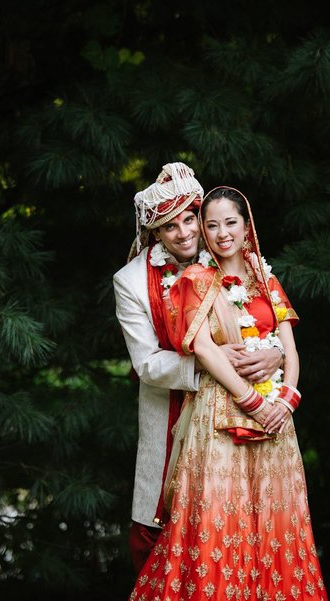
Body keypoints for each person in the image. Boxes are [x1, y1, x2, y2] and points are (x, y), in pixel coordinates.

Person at [128, 186, 328, 600]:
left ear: (246, 224)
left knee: (274, 520)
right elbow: (198, 347)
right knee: (220, 519)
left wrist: (286, 399)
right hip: (220, 411)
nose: (220, 233)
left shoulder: (263, 274)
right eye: (212, 225)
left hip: (276, 418)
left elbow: (287, 344)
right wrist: (251, 400)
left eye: (230, 223)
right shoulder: (195, 279)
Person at [113, 166, 284, 575]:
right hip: (173, 415)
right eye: (169, 226)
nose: (184, 233)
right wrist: (215, 363)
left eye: (190, 219)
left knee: (246, 524)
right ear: (154, 233)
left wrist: (274, 354)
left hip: (245, 410)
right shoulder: (131, 282)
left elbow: (266, 320)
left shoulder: (228, 253)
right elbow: (148, 363)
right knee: (166, 527)